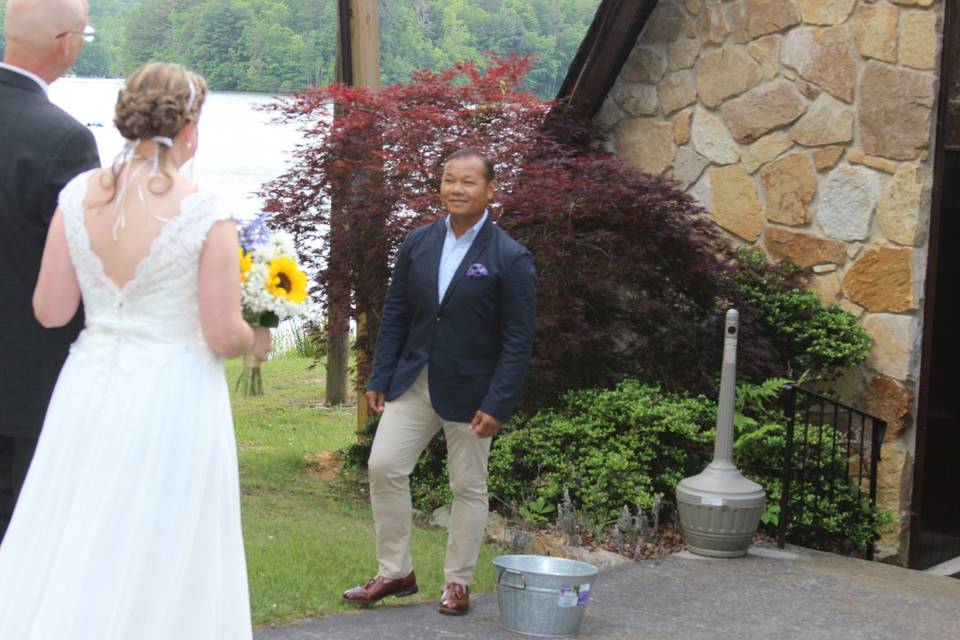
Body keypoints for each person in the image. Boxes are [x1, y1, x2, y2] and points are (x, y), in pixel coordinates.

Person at [0, 62, 270, 639]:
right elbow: (223, 335)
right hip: (172, 391)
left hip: (87, 384)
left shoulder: (78, 197)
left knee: (75, 524)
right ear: (190, 125)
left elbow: (50, 310)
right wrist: (257, 334)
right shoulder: (204, 209)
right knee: (161, 533)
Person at [343, 149, 537, 616]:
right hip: (413, 381)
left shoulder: (510, 256)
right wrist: (381, 375)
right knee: (384, 466)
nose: (456, 189)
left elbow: (518, 339)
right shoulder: (418, 243)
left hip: (473, 394)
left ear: (490, 190)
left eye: (468, 182)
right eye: (449, 179)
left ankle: (458, 582)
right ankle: (395, 572)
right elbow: (396, 315)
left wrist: (498, 403)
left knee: (467, 486)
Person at [0, 0, 101, 541]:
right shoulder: (63, 139)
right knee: (22, 541)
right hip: (27, 379)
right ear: (65, 44)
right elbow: (87, 264)